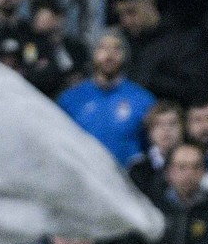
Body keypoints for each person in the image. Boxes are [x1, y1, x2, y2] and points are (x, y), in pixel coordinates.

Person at [59, 30, 156, 168]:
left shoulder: (143, 100)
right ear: (93, 53)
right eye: (103, 48)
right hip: (84, 178)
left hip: (128, 183)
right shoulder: (70, 98)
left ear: (126, 55)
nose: (109, 55)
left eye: (117, 49)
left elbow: (153, 148)